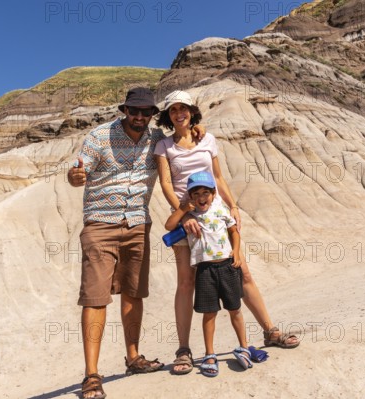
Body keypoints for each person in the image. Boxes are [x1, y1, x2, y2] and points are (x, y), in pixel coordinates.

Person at [67, 87, 205, 399]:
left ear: (152, 115)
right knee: (95, 298)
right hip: (100, 225)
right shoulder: (100, 136)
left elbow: (182, 139)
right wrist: (74, 176)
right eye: (134, 111)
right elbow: (79, 170)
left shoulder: (156, 139)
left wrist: (197, 127)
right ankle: (91, 375)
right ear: (125, 110)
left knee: (134, 293)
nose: (139, 117)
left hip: (137, 226)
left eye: (146, 112)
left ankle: (133, 357)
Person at [154, 90, 299, 375]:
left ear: (192, 112)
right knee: (187, 281)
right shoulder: (164, 146)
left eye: (184, 108)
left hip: (216, 214)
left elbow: (218, 177)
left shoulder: (207, 139)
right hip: (188, 219)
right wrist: (183, 217)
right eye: (173, 110)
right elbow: (167, 184)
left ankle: (270, 331)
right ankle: (184, 350)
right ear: (168, 116)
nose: (179, 113)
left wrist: (232, 206)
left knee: (241, 270)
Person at [165, 171, 253, 377]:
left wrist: (237, 253)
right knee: (209, 313)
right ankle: (209, 354)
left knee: (235, 309)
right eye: (196, 194)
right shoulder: (190, 215)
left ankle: (244, 347)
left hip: (227, 266)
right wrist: (183, 209)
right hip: (204, 270)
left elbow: (234, 231)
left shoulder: (221, 208)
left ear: (213, 194)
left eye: (206, 192)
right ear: (190, 197)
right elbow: (169, 225)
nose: (201, 197)